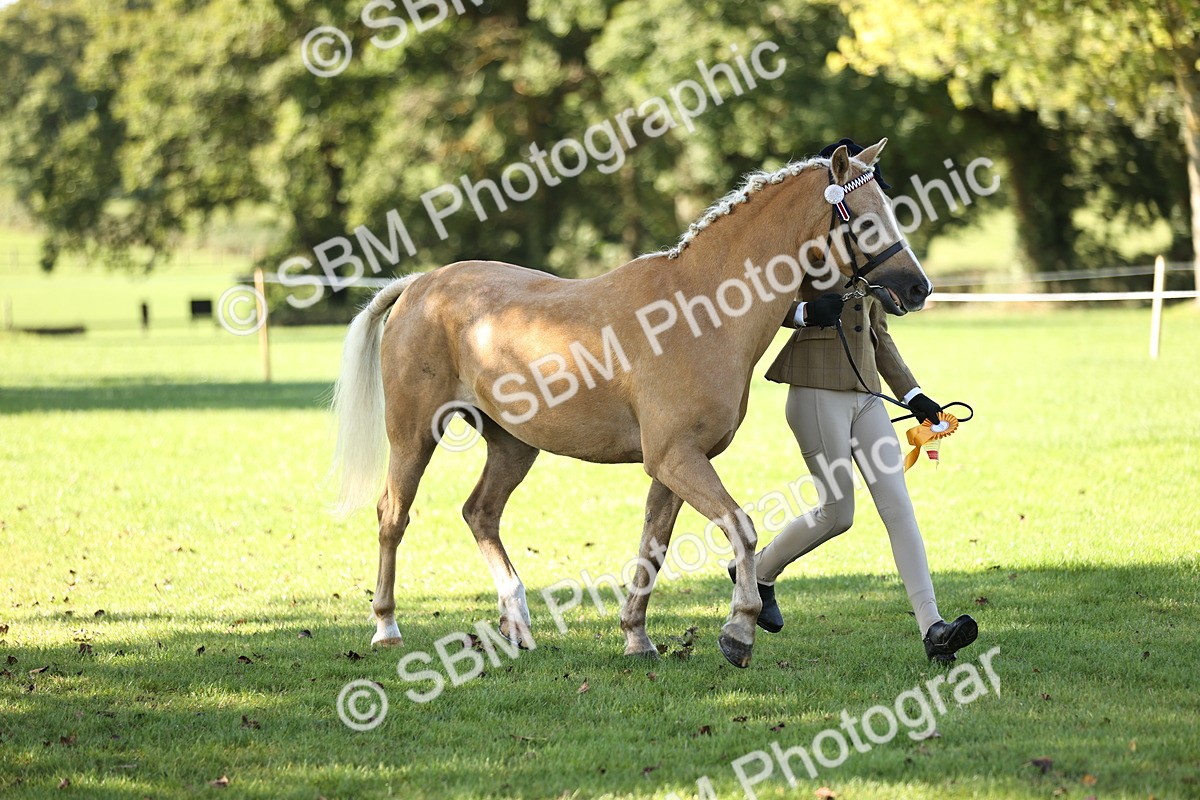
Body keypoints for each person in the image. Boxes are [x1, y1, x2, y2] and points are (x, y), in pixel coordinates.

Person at [730, 141, 977, 663]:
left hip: (866, 398)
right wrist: (805, 314)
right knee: (838, 513)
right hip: (816, 393)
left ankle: (933, 628)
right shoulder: (805, 244)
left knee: (898, 508)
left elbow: (879, 336)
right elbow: (764, 307)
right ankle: (757, 572)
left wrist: (915, 396)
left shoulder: (867, 258)